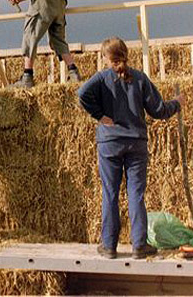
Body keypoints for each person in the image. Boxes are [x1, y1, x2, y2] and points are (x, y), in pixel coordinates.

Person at [78, 37, 185, 260]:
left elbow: (81, 94)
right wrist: (176, 103)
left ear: (106, 57)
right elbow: (158, 110)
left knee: (110, 193)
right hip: (136, 143)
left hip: (109, 143)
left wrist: (100, 116)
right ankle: (139, 245)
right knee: (136, 194)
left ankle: (108, 246)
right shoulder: (139, 78)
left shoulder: (102, 78)